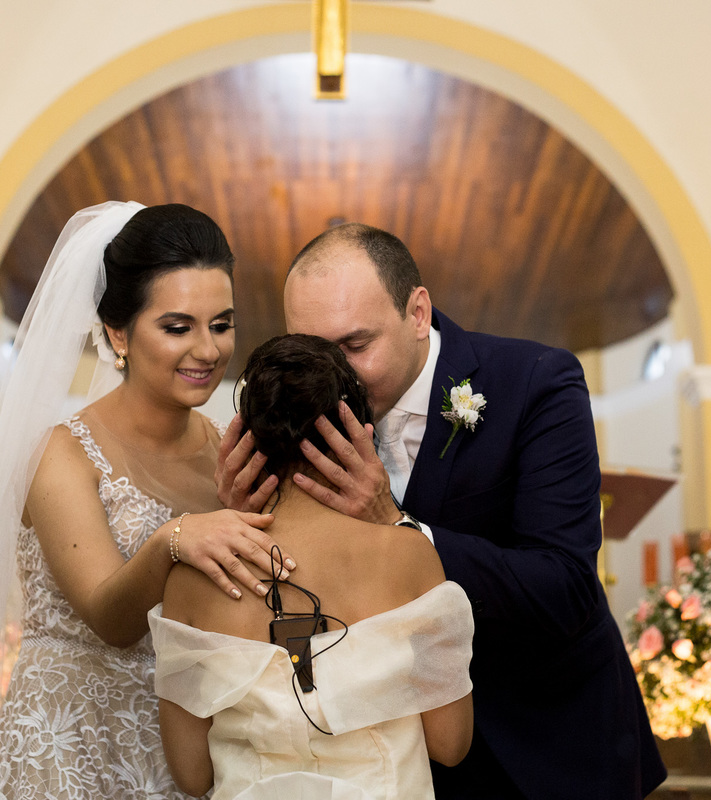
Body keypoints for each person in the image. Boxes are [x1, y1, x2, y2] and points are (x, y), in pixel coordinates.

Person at [218, 223, 667, 799]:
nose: (335, 376)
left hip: (545, 744)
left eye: (355, 346)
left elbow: (564, 587)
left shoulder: (535, 383)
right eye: (313, 350)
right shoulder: (301, 416)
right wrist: (252, 518)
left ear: (417, 312)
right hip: (398, 755)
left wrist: (394, 524)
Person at [0, 202, 293, 800]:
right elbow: (109, 618)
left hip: (184, 750)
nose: (208, 349)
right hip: (69, 744)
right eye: (177, 327)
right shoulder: (61, 453)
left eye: (221, 324)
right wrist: (174, 539)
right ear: (118, 333)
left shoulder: (228, 454)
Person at [149, 333, 475, 800]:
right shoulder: (408, 555)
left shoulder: (191, 580)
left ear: (244, 443)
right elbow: (450, 745)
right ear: (361, 436)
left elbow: (192, 775)